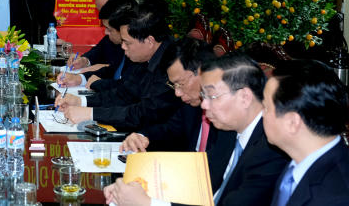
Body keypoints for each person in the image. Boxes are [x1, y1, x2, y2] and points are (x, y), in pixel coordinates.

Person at [105, 52, 289, 206]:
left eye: (211, 96)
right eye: (203, 95)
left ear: (245, 97)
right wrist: (138, 188)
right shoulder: (229, 131)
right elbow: (201, 182)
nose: (204, 105)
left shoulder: (272, 148)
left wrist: (149, 203)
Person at [55, 4, 181, 130]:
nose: (123, 47)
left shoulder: (174, 65)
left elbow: (144, 114)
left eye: (127, 43)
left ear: (149, 41)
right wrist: (80, 101)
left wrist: (91, 114)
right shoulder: (147, 56)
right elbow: (125, 94)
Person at [263, 59, 349, 205]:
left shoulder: (336, 196)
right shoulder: (299, 159)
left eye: (266, 108)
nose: (262, 116)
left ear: (292, 122)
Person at [121, 37, 223, 152]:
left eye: (181, 83)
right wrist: (141, 137)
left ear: (203, 72)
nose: (177, 93)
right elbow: (168, 130)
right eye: (174, 85)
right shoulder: (190, 107)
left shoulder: (227, 114)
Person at [56, 0, 135, 90]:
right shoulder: (119, 42)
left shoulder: (136, 53)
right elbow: (110, 69)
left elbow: (127, 87)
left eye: (109, 29)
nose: (106, 32)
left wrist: (97, 84)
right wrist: (80, 77)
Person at [65, 0, 136, 72]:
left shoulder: (135, 31)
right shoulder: (113, 31)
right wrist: (85, 60)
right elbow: (101, 48)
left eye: (104, 9)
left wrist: (105, 68)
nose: (103, 15)